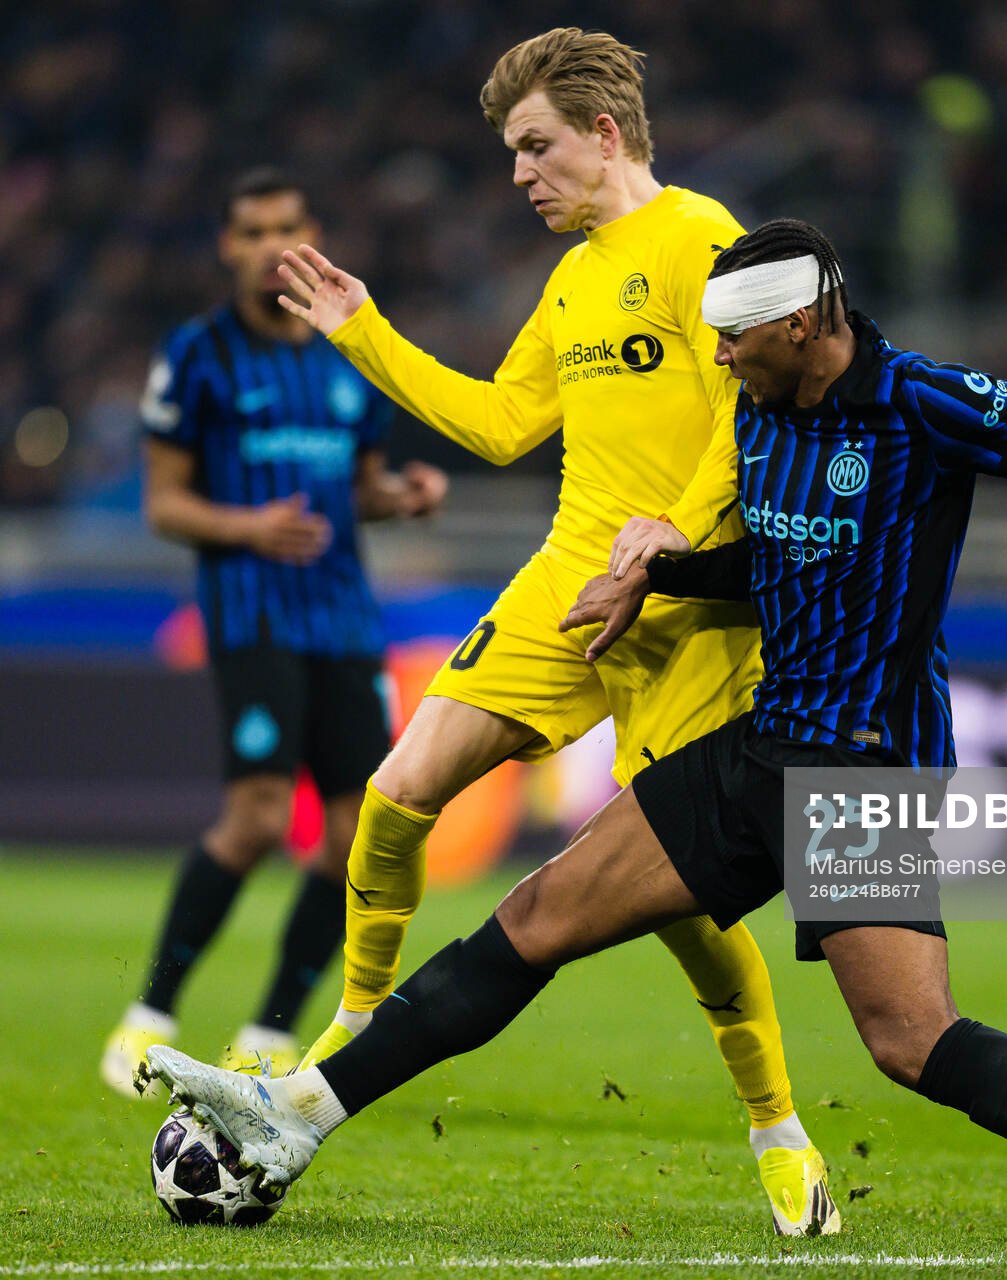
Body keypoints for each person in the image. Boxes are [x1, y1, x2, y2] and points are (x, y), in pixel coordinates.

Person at [143, 217, 1007, 1259]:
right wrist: (652, 583)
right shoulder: (763, 411)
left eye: (733, 339)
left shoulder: (925, 404)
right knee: (536, 917)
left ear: (809, 322)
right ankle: (301, 1116)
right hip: (765, 742)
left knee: (911, 1041)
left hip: (869, 760)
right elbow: (769, 558)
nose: (715, 357)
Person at [270, 29, 836, 1234]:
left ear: (605, 134)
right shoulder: (573, 278)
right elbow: (497, 424)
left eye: (535, 147)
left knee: (679, 898)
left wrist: (668, 539)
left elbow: (755, 422)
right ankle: (356, 1028)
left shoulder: (701, 241)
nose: (520, 174)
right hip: (570, 574)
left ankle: (776, 1121)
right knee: (396, 786)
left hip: (685, 599)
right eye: (511, 153)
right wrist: (363, 331)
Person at [99, 168, 447, 1095]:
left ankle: (267, 1032)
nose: (268, 245)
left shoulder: (346, 354)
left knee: (351, 839)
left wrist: (401, 496)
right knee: (255, 818)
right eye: (251, 230)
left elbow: (356, 488)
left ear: (312, 232)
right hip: (253, 618)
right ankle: (149, 1015)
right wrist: (250, 529)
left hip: (344, 621)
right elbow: (163, 504)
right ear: (227, 245)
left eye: (285, 226)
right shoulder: (197, 354)